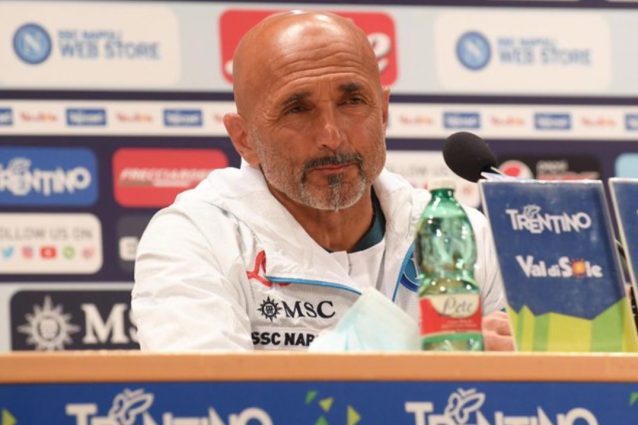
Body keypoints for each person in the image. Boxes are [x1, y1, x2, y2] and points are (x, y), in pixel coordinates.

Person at [132, 11, 513, 351]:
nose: (332, 135)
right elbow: (210, 395)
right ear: (244, 139)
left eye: (352, 102)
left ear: (383, 113)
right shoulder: (196, 236)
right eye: (297, 109)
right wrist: (438, 351)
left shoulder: (464, 232)